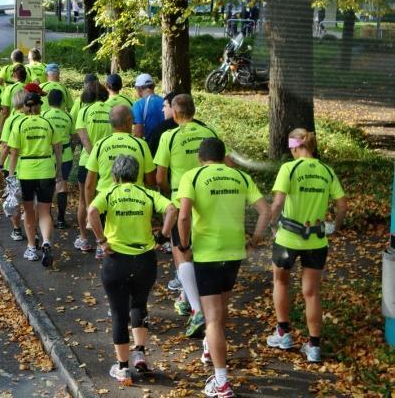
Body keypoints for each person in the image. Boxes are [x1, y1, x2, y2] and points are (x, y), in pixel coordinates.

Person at [177, 138, 270, 398]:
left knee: (213, 317)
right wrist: (256, 239)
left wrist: (184, 244)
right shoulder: (239, 177)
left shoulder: (192, 176)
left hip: (207, 253)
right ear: (222, 156)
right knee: (219, 310)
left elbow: (183, 215)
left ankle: (222, 382)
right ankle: (210, 347)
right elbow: (265, 211)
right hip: (234, 252)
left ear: (200, 156)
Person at [88, 155, 177, 386]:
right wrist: (163, 236)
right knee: (139, 304)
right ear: (136, 174)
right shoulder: (146, 194)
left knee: (118, 313)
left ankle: (123, 368)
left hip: (116, 260)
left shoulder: (109, 193)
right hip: (145, 260)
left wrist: (102, 241)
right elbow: (171, 208)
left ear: (115, 175)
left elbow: (91, 212)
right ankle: (139, 352)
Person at [266, 129, 347, 363]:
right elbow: (342, 205)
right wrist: (335, 226)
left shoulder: (289, 169)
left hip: (287, 239)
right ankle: (314, 347)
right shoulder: (326, 171)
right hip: (316, 241)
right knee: (311, 293)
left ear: (294, 147)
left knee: (280, 281)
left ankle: (283, 333)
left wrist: (270, 224)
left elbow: (279, 202)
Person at [154, 94, 232, 337]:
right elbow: (227, 164)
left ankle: (192, 304)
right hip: (210, 197)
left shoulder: (169, 136)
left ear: (175, 114)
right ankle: (189, 297)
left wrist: (171, 195)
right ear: (194, 111)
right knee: (201, 250)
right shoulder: (209, 132)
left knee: (183, 252)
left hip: (180, 200)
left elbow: (159, 177)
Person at [8, 86, 63, 267]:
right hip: (46, 169)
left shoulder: (20, 124)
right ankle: (46, 241)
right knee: (45, 211)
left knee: (29, 211)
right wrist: (59, 170)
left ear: (25, 107)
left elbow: (14, 152)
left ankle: (32, 247)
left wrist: (10, 175)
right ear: (40, 105)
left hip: (26, 172)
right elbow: (58, 148)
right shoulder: (48, 123)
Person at [85, 105, 155, 213]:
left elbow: (89, 184)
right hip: (135, 201)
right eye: (133, 121)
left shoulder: (100, 144)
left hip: (106, 201)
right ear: (128, 121)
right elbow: (151, 180)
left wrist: (90, 209)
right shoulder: (141, 145)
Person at [75, 81, 112, 256]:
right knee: (106, 202)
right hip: (109, 162)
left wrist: (93, 156)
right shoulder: (111, 109)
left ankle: (84, 238)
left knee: (84, 200)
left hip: (87, 162)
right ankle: (103, 242)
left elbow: (83, 138)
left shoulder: (84, 111)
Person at [0, 90, 28, 241]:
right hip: (32, 165)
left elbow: (6, 146)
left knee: (13, 198)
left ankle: (16, 229)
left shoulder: (10, 120)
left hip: (12, 166)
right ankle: (31, 228)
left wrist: (0, 165)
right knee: (29, 200)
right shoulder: (33, 118)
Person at [41, 89, 75, 230]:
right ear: (62, 101)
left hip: (48, 155)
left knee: (47, 186)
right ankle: (61, 219)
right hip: (65, 155)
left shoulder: (44, 115)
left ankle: (47, 216)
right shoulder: (68, 116)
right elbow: (73, 137)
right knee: (62, 185)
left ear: (48, 102)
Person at [132, 73, 164, 140]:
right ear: (153, 86)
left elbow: (138, 133)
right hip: (165, 144)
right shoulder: (165, 102)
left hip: (149, 146)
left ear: (139, 88)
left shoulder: (138, 105)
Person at [0, 64, 28, 135]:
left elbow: (5, 112)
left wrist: (0, 129)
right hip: (27, 124)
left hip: (12, 124)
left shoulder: (9, 89)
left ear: (14, 75)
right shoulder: (29, 88)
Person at [145, 92, 177, 157]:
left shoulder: (159, 130)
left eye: (165, 106)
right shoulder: (201, 127)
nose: (163, 110)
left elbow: (150, 154)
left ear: (174, 108)